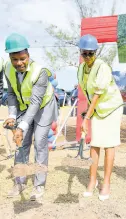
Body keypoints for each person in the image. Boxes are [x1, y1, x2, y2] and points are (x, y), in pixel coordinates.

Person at [3, 33, 58, 200]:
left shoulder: (39, 72)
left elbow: (35, 102)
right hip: (24, 107)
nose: (19, 63)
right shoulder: (7, 68)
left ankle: (39, 185)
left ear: (28, 55)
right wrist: (12, 115)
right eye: (15, 59)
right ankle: (19, 182)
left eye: (22, 58)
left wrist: (21, 126)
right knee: (21, 144)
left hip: (43, 107)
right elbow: (11, 93)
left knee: (40, 142)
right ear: (10, 58)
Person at [77, 34, 124, 201]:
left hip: (111, 108)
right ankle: (92, 180)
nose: (88, 57)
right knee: (95, 144)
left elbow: (97, 94)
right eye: (85, 53)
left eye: (91, 53)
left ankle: (107, 183)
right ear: (81, 53)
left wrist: (86, 118)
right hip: (97, 110)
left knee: (109, 145)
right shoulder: (81, 69)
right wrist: (88, 113)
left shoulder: (102, 67)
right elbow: (87, 94)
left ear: (95, 52)